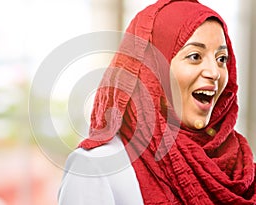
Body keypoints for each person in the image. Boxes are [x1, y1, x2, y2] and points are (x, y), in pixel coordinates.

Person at [58, 0, 256, 204]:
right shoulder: (96, 169)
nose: (214, 72)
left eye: (222, 59)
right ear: (151, 70)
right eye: (195, 56)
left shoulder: (240, 170)